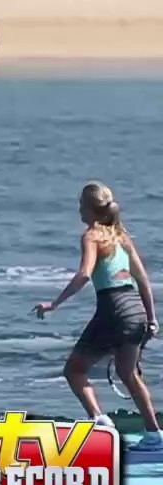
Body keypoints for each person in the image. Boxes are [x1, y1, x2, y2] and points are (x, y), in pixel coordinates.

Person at [34, 181, 162, 450]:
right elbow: (143, 281)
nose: (79, 209)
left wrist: (54, 304)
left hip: (113, 309)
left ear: (91, 209)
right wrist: (152, 319)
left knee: (74, 370)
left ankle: (100, 421)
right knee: (128, 373)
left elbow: (84, 274)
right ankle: (154, 434)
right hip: (135, 309)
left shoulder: (91, 236)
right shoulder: (122, 237)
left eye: (81, 204)